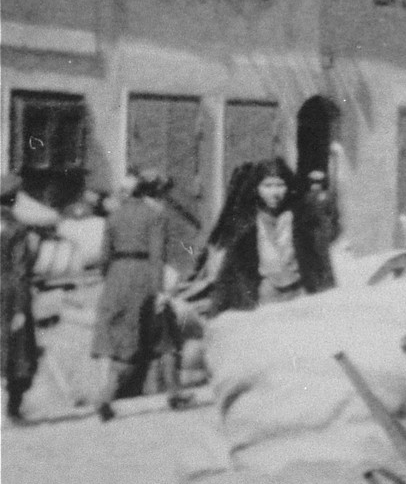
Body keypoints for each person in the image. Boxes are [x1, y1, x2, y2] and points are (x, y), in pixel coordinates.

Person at [92, 171, 178, 422]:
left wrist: (110, 279)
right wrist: (160, 290)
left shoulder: (114, 216)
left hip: (118, 276)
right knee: (165, 332)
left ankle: (107, 396)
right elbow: (157, 255)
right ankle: (173, 391)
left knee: (122, 337)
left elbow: (104, 257)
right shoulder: (155, 215)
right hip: (144, 275)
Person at [209, 158, 334, 312]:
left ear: (289, 186)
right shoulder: (247, 224)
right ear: (256, 188)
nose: (274, 193)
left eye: (280, 185)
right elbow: (229, 273)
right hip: (264, 296)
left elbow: (320, 263)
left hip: (301, 293)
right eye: (267, 185)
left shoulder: (302, 219)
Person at [2, 175, 41, 423]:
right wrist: (20, 308)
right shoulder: (17, 229)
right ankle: (12, 410)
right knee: (19, 353)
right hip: (9, 294)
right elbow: (20, 271)